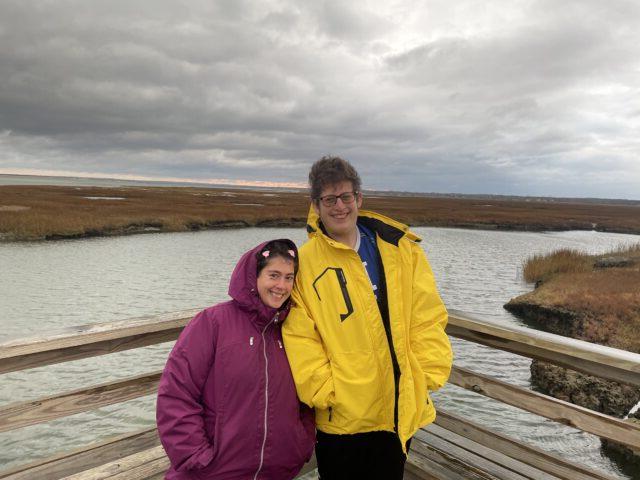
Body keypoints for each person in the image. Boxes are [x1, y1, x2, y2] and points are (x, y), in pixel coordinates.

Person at [282, 156, 453, 479]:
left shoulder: (400, 249)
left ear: (359, 198)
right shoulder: (304, 264)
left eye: (346, 196)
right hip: (341, 419)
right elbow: (300, 336)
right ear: (316, 206)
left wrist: (426, 375)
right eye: (329, 199)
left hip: (397, 409)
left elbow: (427, 316)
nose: (339, 206)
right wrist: (327, 393)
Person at [156, 239, 315, 480]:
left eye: (288, 277)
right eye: (273, 275)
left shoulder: (293, 329)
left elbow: (307, 396)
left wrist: (299, 446)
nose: (281, 285)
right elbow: (176, 394)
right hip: (212, 473)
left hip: (276, 472)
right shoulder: (212, 323)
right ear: (254, 277)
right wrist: (196, 456)